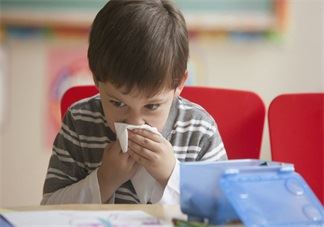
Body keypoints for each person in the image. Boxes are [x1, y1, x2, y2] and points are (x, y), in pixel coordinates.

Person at [41, 0, 227, 205]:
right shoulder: (80, 123)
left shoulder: (199, 130)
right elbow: (50, 208)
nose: (135, 122)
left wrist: (171, 176)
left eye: (152, 106)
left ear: (179, 84)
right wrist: (104, 180)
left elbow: (221, 209)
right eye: (118, 103)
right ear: (96, 79)